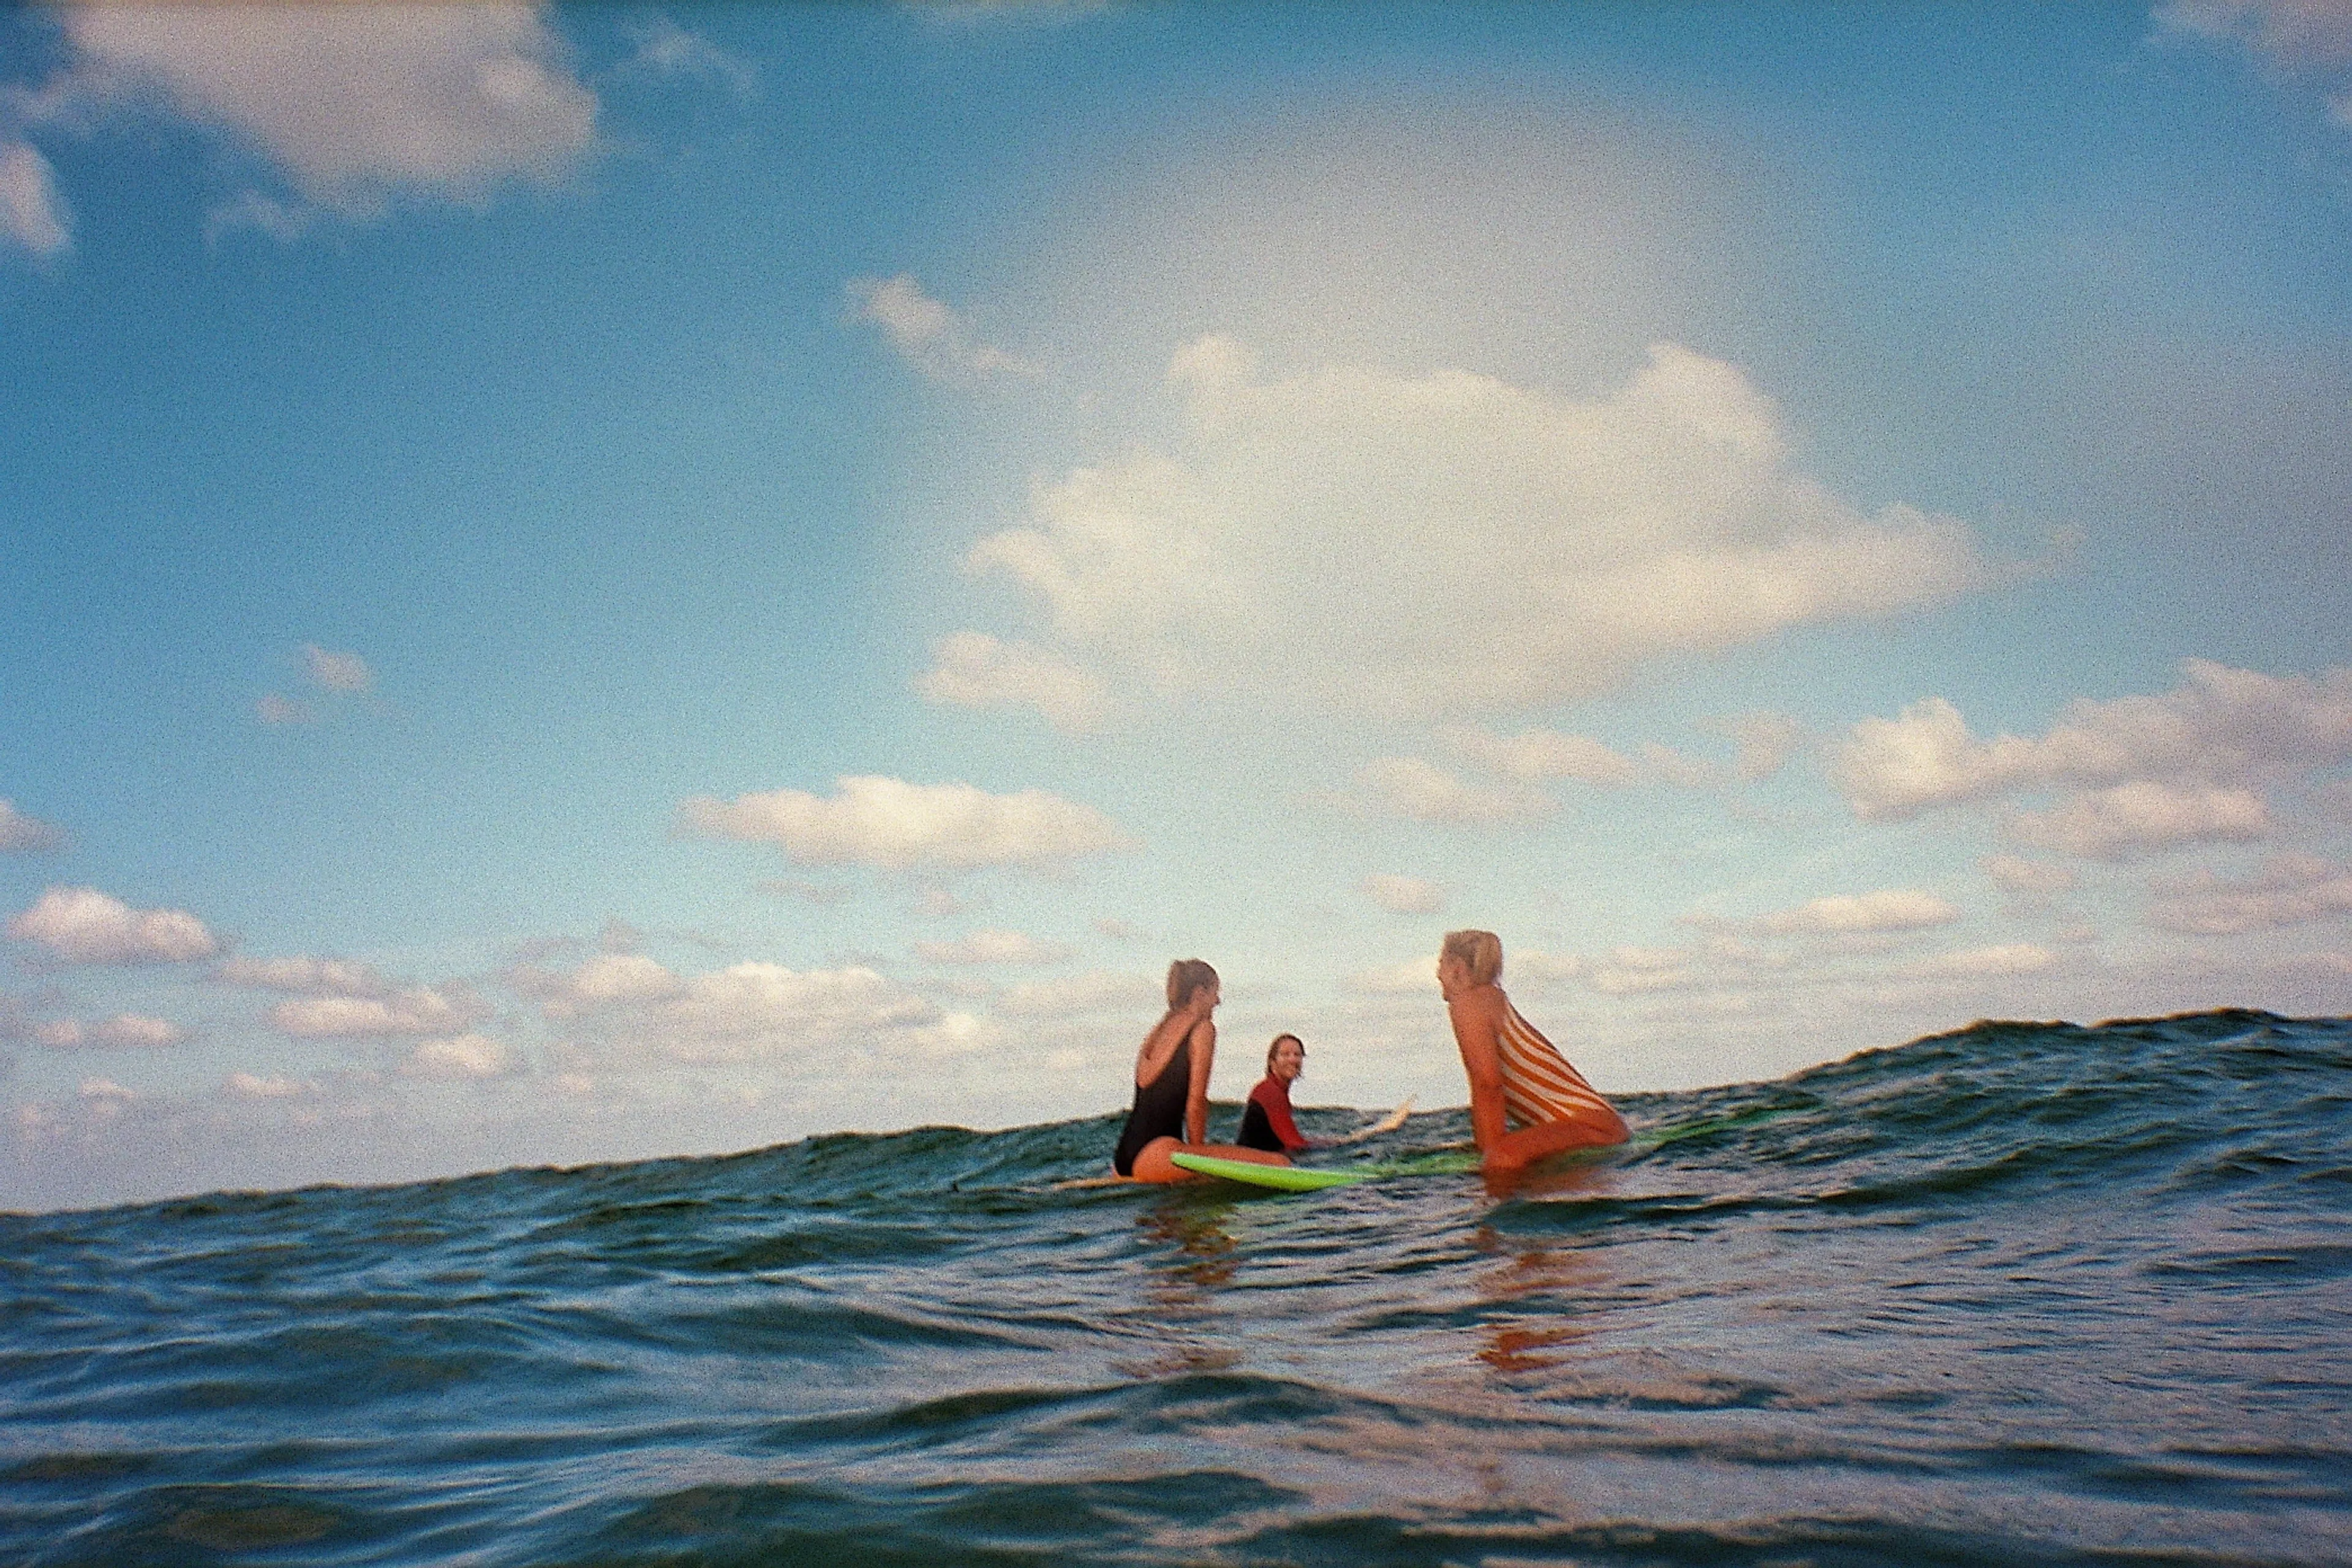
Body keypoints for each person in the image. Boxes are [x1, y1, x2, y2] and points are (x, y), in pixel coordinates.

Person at [1437, 929, 1626, 1177]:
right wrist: (1486, 1151)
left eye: (1441, 964)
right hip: (1599, 1125)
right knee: (1496, 1153)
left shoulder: (1468, 1003)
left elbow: (1488, 1085)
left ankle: (1499, 1214)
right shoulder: (1489, 1000)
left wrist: (1491, 1159)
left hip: (1594, 1128)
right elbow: (1485, 1087)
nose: (1438, 974)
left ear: (1458, 968)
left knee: (1503, 1157)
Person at [1111, 960, 1289, 1182]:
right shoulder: (1202, 1029)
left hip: (1124, 1157)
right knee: (1279, 1163)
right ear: (1199, 992)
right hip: (1157, 1154)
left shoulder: (1157, 1032)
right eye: (1215, 992)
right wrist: (1200, 1160)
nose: (1218, 1001)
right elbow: (1196, 1101)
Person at [1235, 1034, 1414, 1155]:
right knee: (1345, 1144)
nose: (1293, 1059)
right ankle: (1368, 1135)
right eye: (1285, 1054)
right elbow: (1294, 1145)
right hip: (1258, 1161)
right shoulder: (1269, 1092)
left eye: (1297, 1055)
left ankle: (1366, 1134)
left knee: (1337, 1142)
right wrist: (1338, 1147)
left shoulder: (1275, 1091)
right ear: (1272, 1062)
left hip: (1264, 1155)